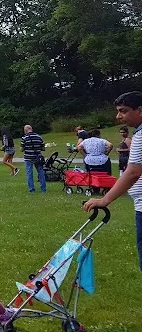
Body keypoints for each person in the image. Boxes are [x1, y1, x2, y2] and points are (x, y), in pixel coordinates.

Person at [84, 91, 142, 271]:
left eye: (123, 111)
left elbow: (133, 173)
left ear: (140, 110)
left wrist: (104, 200)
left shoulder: (140, 135)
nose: (118, 116)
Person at [20, 124, 46, 193]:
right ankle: (43, 189)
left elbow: (21, 149)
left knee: (29, 174)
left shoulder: (24, 138)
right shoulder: (39, 136)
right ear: (31, 129)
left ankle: (31, 189)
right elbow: (43, 148)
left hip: (28, 158)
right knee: (41, 172)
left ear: (25, 130)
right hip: (38, 157)